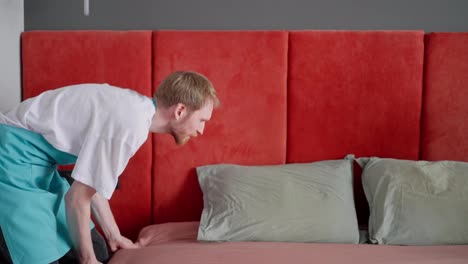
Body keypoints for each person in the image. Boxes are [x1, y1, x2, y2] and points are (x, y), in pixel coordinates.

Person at [0, 71, 220, 264]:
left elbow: (90, 181)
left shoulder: (135, 110)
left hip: (40, 166)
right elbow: (76, 199)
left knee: (97, 248)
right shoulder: (129, 125)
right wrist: (88, 260)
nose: (202, 130)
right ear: (180, 110)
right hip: (11, 159)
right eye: (202, 120)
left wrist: (114, 236)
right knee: (47, 255)